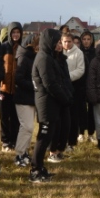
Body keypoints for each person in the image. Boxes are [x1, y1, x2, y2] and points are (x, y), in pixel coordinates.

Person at [31, 28, 72, 181]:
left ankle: (40, 167)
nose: (58, 44)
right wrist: (65, 98)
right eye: (56, 41)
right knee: (43, 137)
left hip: (52, 103)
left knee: (47, 137)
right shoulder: (43, 58)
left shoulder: (49, 57)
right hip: (46, 103)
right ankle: (35, 170)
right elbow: (50, 83)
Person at [13, 32, 39, 167]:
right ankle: (19, 154)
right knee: (26, 126)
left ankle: (24, 153)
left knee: (30, 127)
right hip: (23, 98)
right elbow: (18, 78)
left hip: (31, 98)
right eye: (38, 44)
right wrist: (34, 86)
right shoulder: (23, 57)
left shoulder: (33, 57)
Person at [0, 21, 23, 152]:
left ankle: (14, 140)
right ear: (9, 33)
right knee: (4, 116)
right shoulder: (3, 47)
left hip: (17, 89)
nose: (16, 35)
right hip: (4, 88)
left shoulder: (22, 48)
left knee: (15, 117)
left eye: (18, 32)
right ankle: (5, 141)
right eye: (13, 32)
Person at [62, 31, 85, 149]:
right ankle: (62, 141)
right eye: (65, 41)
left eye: (69, 41)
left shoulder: (78, 53)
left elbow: (80, 70)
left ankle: (71, 142)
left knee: (73, 116)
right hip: (60, 88)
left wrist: (67, 77)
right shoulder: (58, 51)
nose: (67, 44)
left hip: (73, 87)